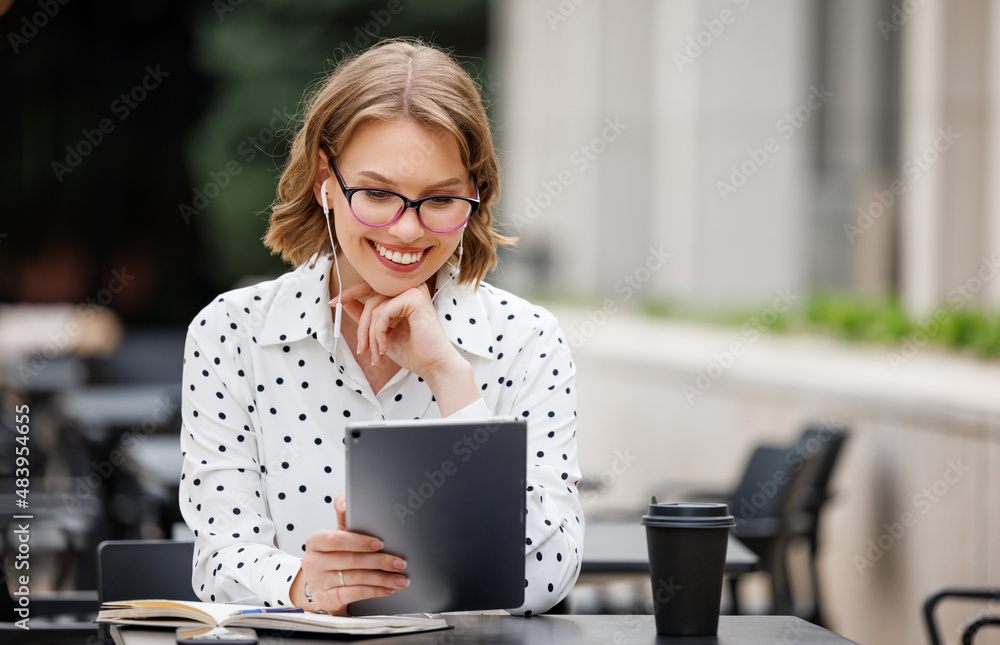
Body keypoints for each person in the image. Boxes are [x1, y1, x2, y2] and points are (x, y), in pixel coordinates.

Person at [179, 38, 583, 617]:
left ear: (475, 193)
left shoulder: (528, 339)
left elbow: (548, 574)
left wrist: (452, 379)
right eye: (376, 193)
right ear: (325, 179)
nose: (407, 230)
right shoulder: (231, 332)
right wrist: (303, 582)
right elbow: (219, 562)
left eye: (440, 199)